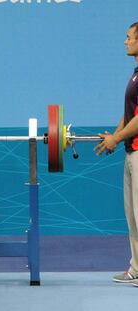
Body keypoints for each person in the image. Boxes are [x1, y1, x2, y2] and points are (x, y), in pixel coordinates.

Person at [94, 22, 138, 287]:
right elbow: (130, 112)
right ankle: (136, 268)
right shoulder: (135, 74)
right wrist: (114, 136)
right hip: (130, 152)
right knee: (132, 216)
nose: (125, 41)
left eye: (128, 37)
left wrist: (117, 138)